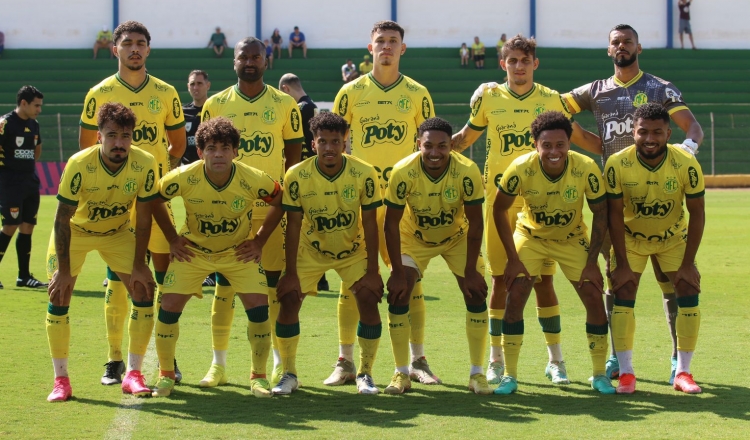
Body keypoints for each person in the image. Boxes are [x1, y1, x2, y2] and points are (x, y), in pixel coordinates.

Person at [452, 34, 602, 385]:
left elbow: (580, 138)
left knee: (544, 281)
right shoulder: (489, 97)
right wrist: (427, 149)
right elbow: (465, 138)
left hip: (542, 203)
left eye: (525, 61)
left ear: (535, 64)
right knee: (501, 282)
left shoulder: (552, 99)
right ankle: (496, 359)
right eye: (512, 61)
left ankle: (556, 360)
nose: (519, 67)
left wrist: (623, 154)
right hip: (500, 204)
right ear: (503, 64)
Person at [562, 23, 704, 384]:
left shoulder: (658, 87)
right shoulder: (595, 90)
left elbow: (692, 127)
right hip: (617, 192)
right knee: (618, 280)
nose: (621, 46)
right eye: (615, 42)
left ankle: (677, 358)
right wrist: (587, 141)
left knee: (670, 281)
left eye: (627, 41)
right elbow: (552, 106)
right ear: (609, 50)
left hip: (659, 189)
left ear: (638, 47)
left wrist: (687, 150)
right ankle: (617, 356)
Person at [78, 20, 186, 386]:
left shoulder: (167, 92)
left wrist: (159, 176)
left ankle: (167, 358)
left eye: (141, 43)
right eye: (128, 43)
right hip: (115, 202)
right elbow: (85, 149)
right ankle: (114, 359)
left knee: (164, 278)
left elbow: (178, 145)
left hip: (154, 200)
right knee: (117, 278)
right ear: (116, 49)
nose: (135, 49)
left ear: (149, 50)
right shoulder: (99, 93)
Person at [331, 20, 438, 388]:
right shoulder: (350, 92)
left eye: (393, 41)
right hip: (360, 202)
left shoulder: (418, 93)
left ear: (402, 49)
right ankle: (345, 361)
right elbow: (335, 145)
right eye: (381, 41)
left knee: (410, 281)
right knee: (352, 280)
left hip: (403, 204)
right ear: (370, 47)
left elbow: (430, 150)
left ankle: (417, 359)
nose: (387, 47)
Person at [150, 117, 283, 398]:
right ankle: (165, 374)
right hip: (194, 254)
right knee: (168, 306)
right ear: (200, 152)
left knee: (260, 310)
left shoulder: (252, 178)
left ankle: (258, 376)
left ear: (236, 151)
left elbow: (281, 200)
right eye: (211, 148)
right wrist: (173, 238)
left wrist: (259, 240)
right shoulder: (184, 176)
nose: (218, 154)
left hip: (237, 254)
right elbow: (153, 198)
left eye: (225, 147)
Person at [200, 37, 303, 388]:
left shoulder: (284, 103)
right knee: (225, 288)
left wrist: (286, 202)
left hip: (272, 212)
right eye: (243, 56)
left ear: (266, 61)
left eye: (256, 56)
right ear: (234, 61)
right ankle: (218, 365)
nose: (250, 61)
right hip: (229, 213)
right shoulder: (216, 103)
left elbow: (293, 159)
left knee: (273, 289)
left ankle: (278, 365)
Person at [493, 111, 615, 396]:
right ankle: (509, 375)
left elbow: (601, 213)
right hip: (530, 237)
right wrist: (512, 258)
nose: (554, 151)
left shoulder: (585, 168)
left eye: (560, 144)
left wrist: (592, 262)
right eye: (547, 145)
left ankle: (599, 374)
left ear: (569, 143)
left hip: (571, 238)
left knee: (593, 298)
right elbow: (499, 209)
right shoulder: (520, 167)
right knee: (516, 298)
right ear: (535, 144)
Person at [45, 102, 159, 402]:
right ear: (99, 136)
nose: (119, 143)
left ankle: (133, 374)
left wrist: (139, 264)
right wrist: (66, 271)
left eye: (125, 136)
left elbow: (144, 217)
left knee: (144, 289)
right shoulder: (79, 163)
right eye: (112, 135)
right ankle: (61, 380)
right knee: (60, 292)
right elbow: (61, 219)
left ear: (132, 136)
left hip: (117, 233)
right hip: (75, 232)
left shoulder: (145, 163)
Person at [272, 112, 384, 395]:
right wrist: (291, 273)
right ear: (314, 144)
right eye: (324, 141)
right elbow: (293, 225)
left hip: (352, 250)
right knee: (288, 299)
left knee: (369, 300)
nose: (330, 147)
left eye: (336, 141)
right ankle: (289, 373)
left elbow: (370, 223)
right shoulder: (297, 175)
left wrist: (373, 271)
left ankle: (365, 373)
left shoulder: (364, 173)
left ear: (345, 142)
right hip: (312, 250)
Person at [384, 118, 491, 395]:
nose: (435, 152)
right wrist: (396, 271)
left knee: (476, 293)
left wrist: (470, 271)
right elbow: (390, 224)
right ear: (418, 144)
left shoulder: (467, 171)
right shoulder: (402, 171)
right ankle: (401, 372)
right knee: (400, 292)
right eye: (428, 145)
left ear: (451, 146)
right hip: (414, 238)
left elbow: (477, 223)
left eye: (442, 146)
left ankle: (477, 374)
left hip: (457, 238)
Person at [605, 102, 705, 394]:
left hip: (672, 238)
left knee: (687, 288)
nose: (650, 138)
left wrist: (688, 263)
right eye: (643, 132)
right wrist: (621, 262)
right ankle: (626, 373)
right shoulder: (617, 163)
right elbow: (613, 214)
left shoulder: (685, 162)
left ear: (668, 133)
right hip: (631, 240)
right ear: (633, 132)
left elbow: (697, 212)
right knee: (623, 291)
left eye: (657, 133)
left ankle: (683, 372)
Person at [278, 73, 329, 292]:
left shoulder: (299, 109)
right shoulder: (312, 105)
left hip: (305, 175)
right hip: (313, 174)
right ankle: (320, 277)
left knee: (303, 225)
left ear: (285, 89)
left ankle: (315, 276)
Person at [0, 85, 48, 290]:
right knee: (10, 225)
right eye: (36, 105)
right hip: (9, 182)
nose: (39, 109)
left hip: (29, 181)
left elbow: (37, 151)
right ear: (23, 103)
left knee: (28, 226)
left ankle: (24, 276)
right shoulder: (5, 124)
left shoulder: (34, 125)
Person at [183, 70, 211, 165]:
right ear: (188, 87)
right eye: (192, 84)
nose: (195, 87)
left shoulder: (215, 109)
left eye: (199, 83)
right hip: (188, 166)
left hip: (210, 165)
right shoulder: (182, 112)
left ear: (208, 85)